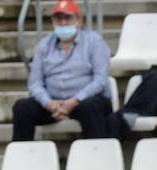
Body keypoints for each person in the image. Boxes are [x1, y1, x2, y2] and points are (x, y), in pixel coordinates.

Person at [11, 0, 113, 142]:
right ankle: (22, 159)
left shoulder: (95, 43)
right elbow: (35, 83)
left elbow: (100, 81)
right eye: (59, 19)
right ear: (53, 21)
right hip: (54, 103)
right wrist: (49, 104)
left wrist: (74, 101)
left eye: (68, 18)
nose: (63, 23)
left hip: (85, 101)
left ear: (79, 21)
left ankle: (96, 158)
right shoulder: (44, 45)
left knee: (90, 107)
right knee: (22, 108)